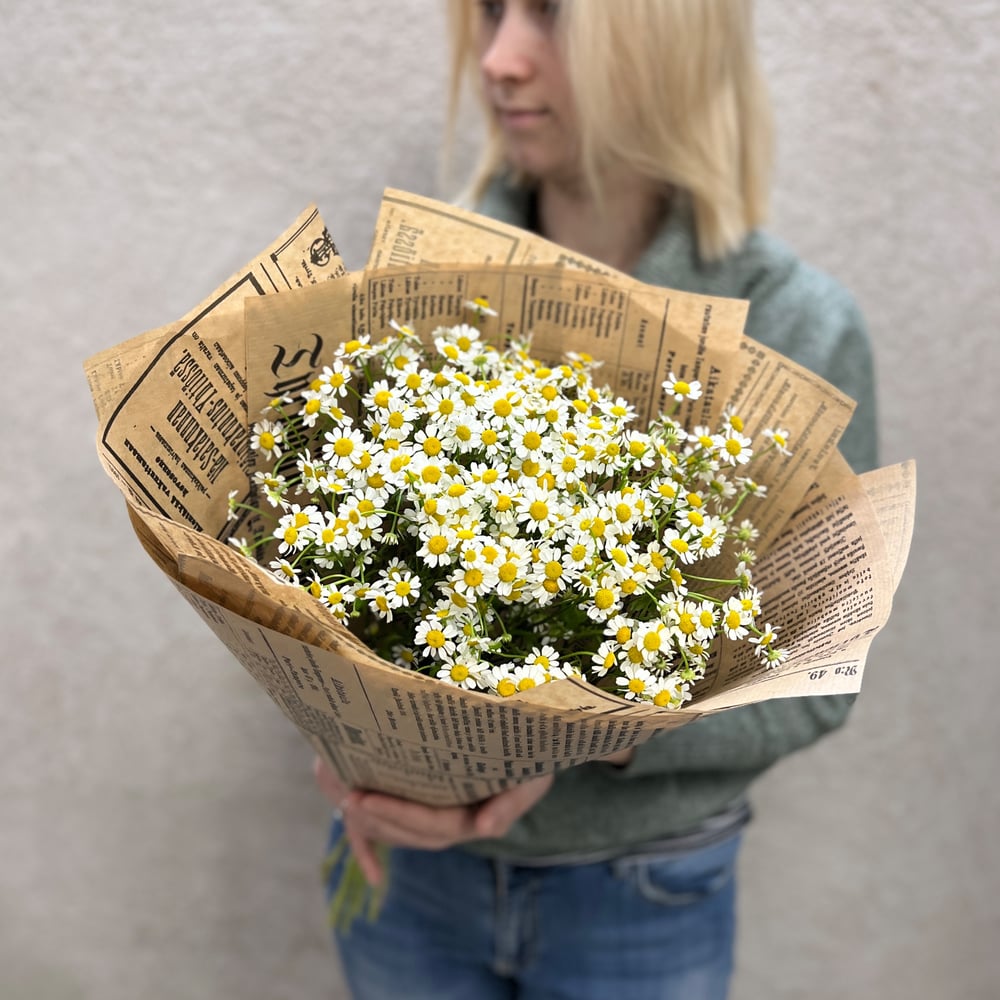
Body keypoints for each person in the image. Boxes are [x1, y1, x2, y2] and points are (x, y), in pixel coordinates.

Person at [314, 1, 879, 997]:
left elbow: (814, 681)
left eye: (552, 15)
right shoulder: (428, 280)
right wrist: (352, 737)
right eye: (492, 12)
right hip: (405, 872)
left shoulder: (796, 330)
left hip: (642, 890)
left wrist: (587, 732)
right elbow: (323, 564)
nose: (498, 60)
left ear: (668, 36)